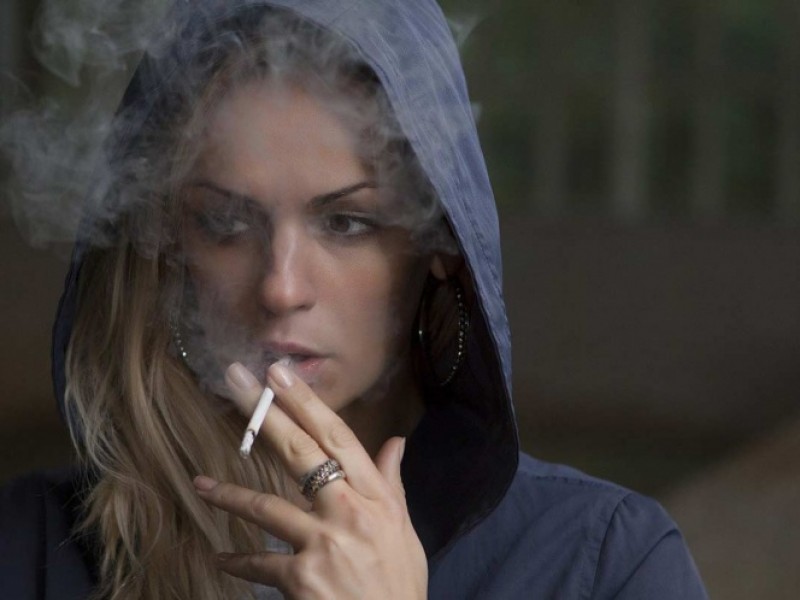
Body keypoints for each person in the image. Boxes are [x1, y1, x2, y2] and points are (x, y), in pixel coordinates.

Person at [0, 1, 708, 598]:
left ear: (439, 245)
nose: (280, 287)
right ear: (169, 248)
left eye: (345, 223)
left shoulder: (607, 565)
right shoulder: (26, 550)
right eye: (225, 223)